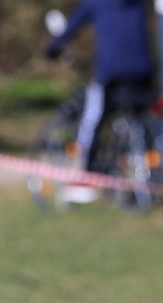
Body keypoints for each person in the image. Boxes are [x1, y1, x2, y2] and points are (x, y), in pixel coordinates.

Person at [44, 0, 156, 174]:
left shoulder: (96, 3)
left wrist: (52, 46)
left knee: (92, 119)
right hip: (143, 72)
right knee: (149, 117)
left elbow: (71, 28)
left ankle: (85, 175)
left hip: (111, 75)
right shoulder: (139, 3)